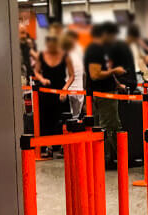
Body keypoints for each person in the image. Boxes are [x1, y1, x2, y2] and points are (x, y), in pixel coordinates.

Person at [84, 23, 125, 165]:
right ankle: (113, 159)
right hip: (102, 95)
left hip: (107, 92)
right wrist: (115, 71)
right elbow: (95, 74)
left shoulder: (104, 50)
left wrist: (118, 84)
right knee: (110, 127)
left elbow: (105, 69)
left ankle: (109, 158)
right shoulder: (95, 50)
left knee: (109, 126)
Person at [34, 33, 74, 156]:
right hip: (46, 91)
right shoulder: (41, 55)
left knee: (61, 119)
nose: (52, 49)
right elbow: (36, 71)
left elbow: (72, 75)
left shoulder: (65, 56)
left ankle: (62, 146)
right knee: (46, 119)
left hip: (60, 90)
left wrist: (65, 89)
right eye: (49, 46)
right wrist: (42, 80)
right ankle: (48, 147)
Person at [61, 29, 85, 120]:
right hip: (68, 89)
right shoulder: (63, 53)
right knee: (69, 117)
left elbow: (83, 72)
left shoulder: (78, 50)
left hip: (79, 89)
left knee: (76, 117)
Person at [126, 24, 148, 88]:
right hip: (134, 75)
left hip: (137, 74)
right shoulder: (131, 45)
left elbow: (147, 60)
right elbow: (147, 60)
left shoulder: (137, 45)